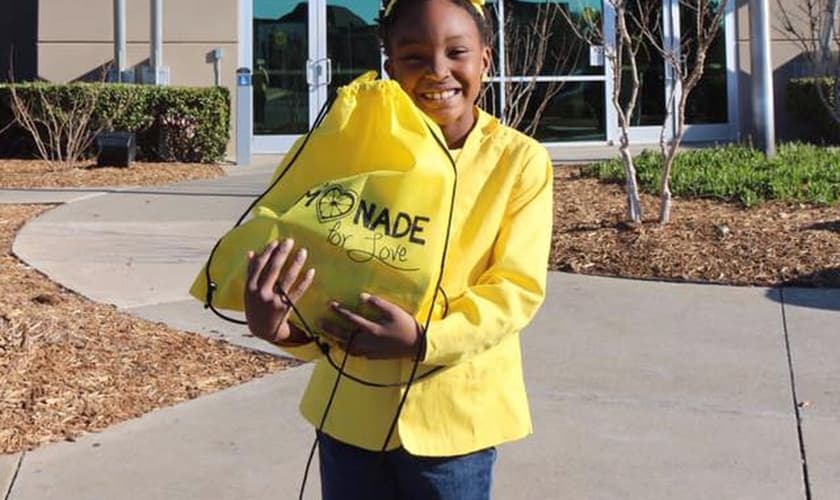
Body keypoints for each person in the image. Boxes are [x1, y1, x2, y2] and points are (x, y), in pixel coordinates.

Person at [243, 1, 553, 498]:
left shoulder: (519, 162)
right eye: (414, 57)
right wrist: (281, 328)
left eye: (456, 52)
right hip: (351, 418)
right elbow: (322, 280)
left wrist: (425, 340)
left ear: (485, 61)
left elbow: (515, 289)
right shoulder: (353, 150)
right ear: (390, 68)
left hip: (453, 426)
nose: (437, 71)